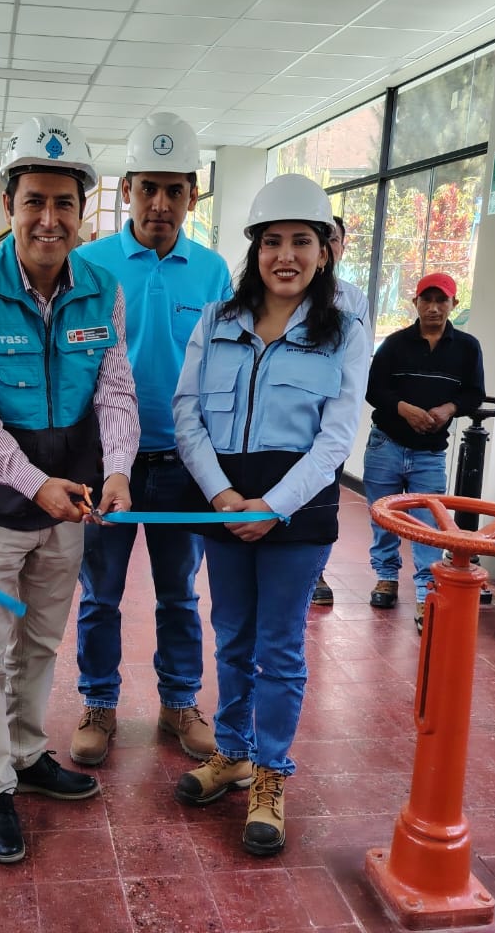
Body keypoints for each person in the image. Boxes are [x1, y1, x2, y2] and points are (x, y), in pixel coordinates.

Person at [0, 115, 139, 864]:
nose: (49, 219)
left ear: (83, 210)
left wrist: (117, 467)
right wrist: (33, 484)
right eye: (34, 202)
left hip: (70, 502)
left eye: (64, 203)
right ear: (9, 206)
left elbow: (115, 389)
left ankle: (26, 754)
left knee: (42, 642)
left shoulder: (103, 291)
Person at [171, 173, 368, 856]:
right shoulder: (217, 320)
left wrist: (275, 506)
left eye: (301, 241)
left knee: (279, 648)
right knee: (231, 637)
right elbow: (187, 414)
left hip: (297, 511)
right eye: (272, 241)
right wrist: (222, 494)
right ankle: (232, 753)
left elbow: (337, 437)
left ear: (324, 249)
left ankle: (271, 773)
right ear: (255, 249)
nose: (286, 256)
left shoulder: (343, 331)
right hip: (224, 503)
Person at [68, 112, 231, 767]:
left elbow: (224, 368)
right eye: (148, 189)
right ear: (127, 190)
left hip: (182, 463)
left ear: (192, 195)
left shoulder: (213, 272)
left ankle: (179, 702)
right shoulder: (89, 264)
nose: (160, 203)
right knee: (100, 594)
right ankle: (99, 703)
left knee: (179, 595)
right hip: (106, 462)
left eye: (174, 190)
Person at [363, 272, 485, 630]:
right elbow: (374, 390)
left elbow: (474, 393)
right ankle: (386, 577)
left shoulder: (467, 347)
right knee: (383, 516)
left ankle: (425, 591)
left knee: (429, 524)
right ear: (415, 303)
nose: (433, 308)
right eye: (426, 300)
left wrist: (449, 408)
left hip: (430, 451)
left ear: (453, 304)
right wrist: (403, 409)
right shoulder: (395, 344)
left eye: (441, 300)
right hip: (386, 443)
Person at [311, 213, 372, 606]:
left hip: (329, 421)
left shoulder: (353, 300)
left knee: (322, 499)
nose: (327, 246)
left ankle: (316, 572)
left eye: (334, 239)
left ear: (341, 248)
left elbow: (358, 366)